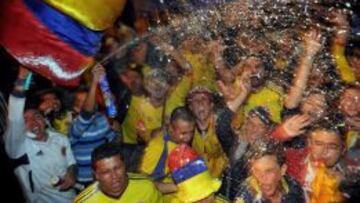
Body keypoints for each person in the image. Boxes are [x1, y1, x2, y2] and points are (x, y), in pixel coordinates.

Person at [4, 67, 77, 202]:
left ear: (44, 118)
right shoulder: (19, 147)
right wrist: (21, 80)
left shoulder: (60, 138)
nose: (33, 122)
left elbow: (71, 163)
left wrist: (72, 174)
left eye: (36, 116)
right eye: (25, 119)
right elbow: (14, 118)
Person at [69, 64, 118, 186]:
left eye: (90, 100)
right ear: (75, 108)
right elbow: (86, 113)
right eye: (83, 102)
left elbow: (114, 143)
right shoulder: (74, 125)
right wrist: (94, 82)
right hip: (85, 181)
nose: (88, 104)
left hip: (105, 177)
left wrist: (117, 131)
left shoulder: (101, 118)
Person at [74, 143, 163, 203]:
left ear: (125, 166)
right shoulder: (85, 201)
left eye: (117, 168)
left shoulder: (146, 187)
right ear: (96, 175)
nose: (114, 176)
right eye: (106, 172)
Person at [139, 106, 195, 201]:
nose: (188, 138)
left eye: (191, 132)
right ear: (171, 128)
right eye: (184, 133)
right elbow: (145, 184)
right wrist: (180, 186)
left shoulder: (181, 143)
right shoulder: (158, 148)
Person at [234, 142, 304, 203]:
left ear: (282, 170)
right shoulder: (246, 197)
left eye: (269, 171)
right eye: (257, 171)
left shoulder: (293, 188)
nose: (262, 178)